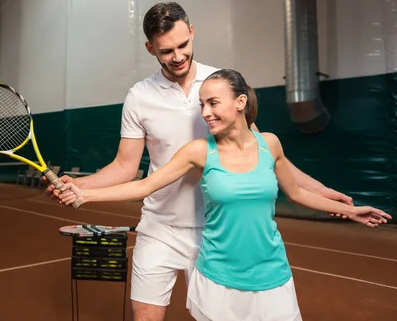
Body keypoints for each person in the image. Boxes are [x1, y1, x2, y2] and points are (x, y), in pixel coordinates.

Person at [45, 2, 354, 321]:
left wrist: (319, 189)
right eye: (166, 51)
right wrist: (80, 185)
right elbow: (125, 166)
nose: (177, 56)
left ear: (192, 32)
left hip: (215, 231)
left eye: (183, 44)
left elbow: (260, 152)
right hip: (159, 226)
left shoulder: (219, 85)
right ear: (151, 49)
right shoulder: (139, 97)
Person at [57, 68, 391, 321]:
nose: (205, 112)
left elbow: (296, 193)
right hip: (218, 277)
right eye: (202, 104)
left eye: (213, 103)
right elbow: (144, 185)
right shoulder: (198, 151)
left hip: (272, 273)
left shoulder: (270, 144)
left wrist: (350, 210)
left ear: (240, 102)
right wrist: (84, 194)